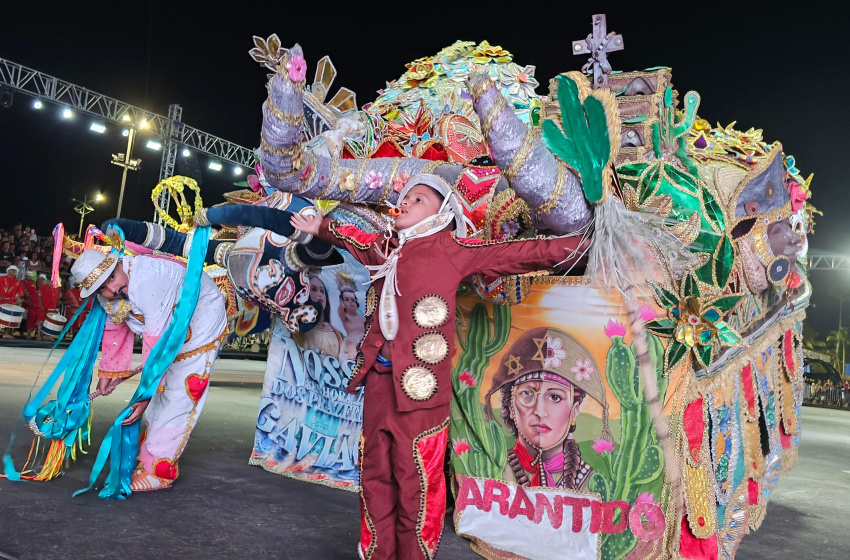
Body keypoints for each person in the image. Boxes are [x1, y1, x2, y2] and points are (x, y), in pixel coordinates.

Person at [289, 173, 588, 560]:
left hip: (420, 393)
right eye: (404, 198)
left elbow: (520, 253)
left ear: (442, 214)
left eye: (417, 200)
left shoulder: (452, 247)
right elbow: (354, 239)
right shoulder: (385, 249)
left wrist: (586, 242)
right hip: (377, 383)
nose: (404, 203)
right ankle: (377, 554)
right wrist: (320, 227)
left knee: (415, 480)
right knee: (375, 474)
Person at [70, 247, 227, 492]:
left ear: (118, 263)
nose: (112, 291)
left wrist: (144, 395)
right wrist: (108, 374)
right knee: (159, 400)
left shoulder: (148, 280)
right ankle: (149, 455)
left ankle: (159, 471)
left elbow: (155, 346)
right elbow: (115, 330)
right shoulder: (110, 291)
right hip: (168, 330)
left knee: (178, 396)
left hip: (200, 324)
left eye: (111, 278)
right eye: (102, 288)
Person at [484, 327, 612, 491]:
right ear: (510, 406)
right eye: (527, 393)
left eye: (555, 397)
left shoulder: (590, 479)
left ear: (574, 410)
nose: (540, 411)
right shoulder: (492, 468)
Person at [291, 272, 345, 359]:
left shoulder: (337, 333)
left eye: (322, 291)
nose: (320, 294)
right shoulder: (297, 329)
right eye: (314, 289)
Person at [336, 269, 365, 360]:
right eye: (347, 300)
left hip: (364, 342)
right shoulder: (346, 317)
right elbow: (340, 311)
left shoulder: (363, 318)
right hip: (351, 344)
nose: (351, 302)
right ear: (342, 303)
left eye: (353, 300)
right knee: (352, 347)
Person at [0, 264, 24, 338]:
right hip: (1, 300)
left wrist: (18, 298)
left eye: (15, 270)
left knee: (9, 317)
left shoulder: (17, 282)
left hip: (11, 302)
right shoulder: (1, 278)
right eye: (12, 270)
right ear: (8, 271)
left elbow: (19, 292)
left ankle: (6, 333)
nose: (13, 271)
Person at [34, 274, 61, 341]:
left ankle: (47, 336)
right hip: (44, 307)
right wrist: (41, 305)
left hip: (52, 308)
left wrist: (57, 305)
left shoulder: (57, 289)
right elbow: (39, 297)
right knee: (40, 321)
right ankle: (39, 335)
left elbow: (57, 298)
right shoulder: (42, 287)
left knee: (49, 322)